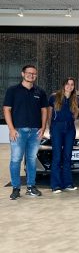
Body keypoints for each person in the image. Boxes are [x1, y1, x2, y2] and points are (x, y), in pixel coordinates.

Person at [3, 65, 48, 200]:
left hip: (35, 132)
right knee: (16, 159)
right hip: (18, 131)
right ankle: (16, 188)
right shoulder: (13, 90)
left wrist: (43, 127)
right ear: (23, 74)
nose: (31, 75)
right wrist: (11, 129)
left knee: (31, 160)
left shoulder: (40, 92)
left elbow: (44, 110)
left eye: (34, 73)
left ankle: (31, 187)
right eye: (29, 73)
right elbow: (6, 109)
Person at [47, 77, 79, 193]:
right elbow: (49, 114)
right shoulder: (54, 97)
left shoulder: (76, 99)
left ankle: (68, 183)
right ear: (63, 85)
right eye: (67, 84)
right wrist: (51, 129)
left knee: (67, 156)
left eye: (72, 84)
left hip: (70, 129)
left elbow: (75, 115)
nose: (69, 86)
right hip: (57, 128)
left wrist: (72, 117)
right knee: (57, 156)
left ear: (74, 86)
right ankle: (55, 185)